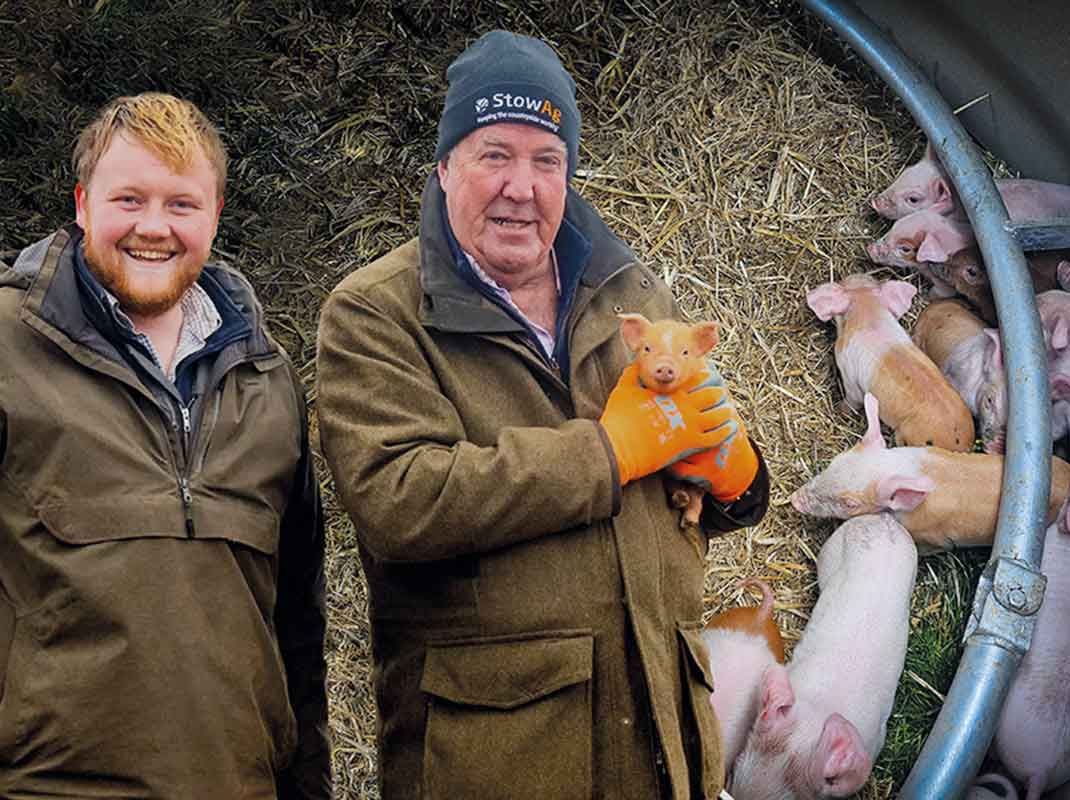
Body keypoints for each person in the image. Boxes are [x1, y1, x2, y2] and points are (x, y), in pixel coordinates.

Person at [316, 30, 769, 800]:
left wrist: (733, 479)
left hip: (662, 734)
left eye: (546, 160)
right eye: (494, 154)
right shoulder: (376, 313)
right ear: (444, 166)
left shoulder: (630, 293)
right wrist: (606, 455)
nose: (521, 186)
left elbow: (676, 470)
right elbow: (402, 499)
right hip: (501, 754)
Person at [0, 93, 330, 798]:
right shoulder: (6, 347)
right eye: (129, 199)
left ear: (215, 215)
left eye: (182, 204)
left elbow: (296, 628)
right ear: (83, 204)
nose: (154, 227)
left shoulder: (267, 379)